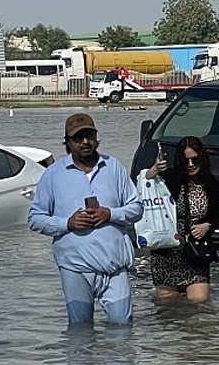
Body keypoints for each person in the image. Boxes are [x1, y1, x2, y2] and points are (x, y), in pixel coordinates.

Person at [27, 113, 143, 327]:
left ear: (97, 138)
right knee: (79, 332)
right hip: (75, 268)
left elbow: (137, 208)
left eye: (89, 135)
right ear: (68, 142)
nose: (85, 142)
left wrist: (111, 214)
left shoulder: (114, 167)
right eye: (78, 138)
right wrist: (66, 223)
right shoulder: (53, 174)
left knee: (122, 330)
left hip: (115, 266)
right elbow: (35, 219)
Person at [144, 136, 219, 303]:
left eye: (195, 160)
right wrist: (155, 169)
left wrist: (207, 226)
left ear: (202, 158)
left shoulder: (211, 184)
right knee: (168, 310)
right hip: (166, 252)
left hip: (195, 252)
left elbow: (217, 217)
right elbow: (145, 184)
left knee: (199, 306)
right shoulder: (170, 178)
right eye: (186, 161)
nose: (190, 165)